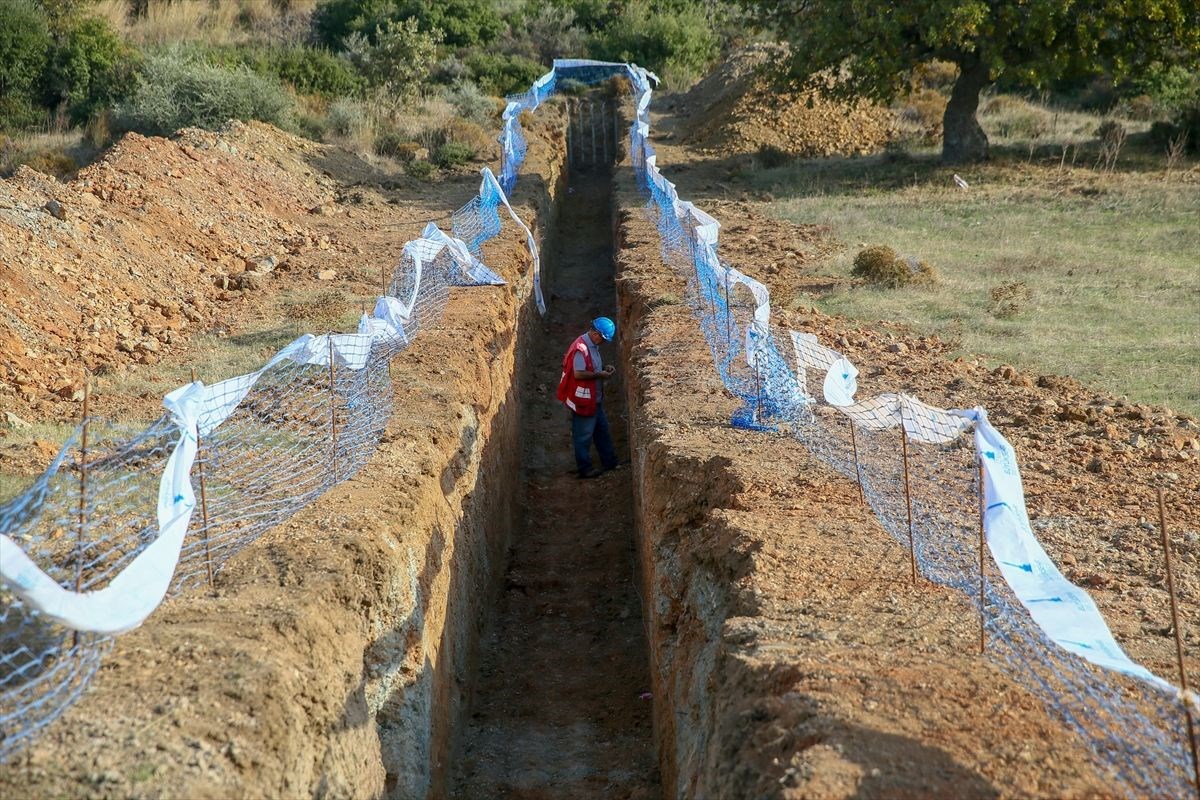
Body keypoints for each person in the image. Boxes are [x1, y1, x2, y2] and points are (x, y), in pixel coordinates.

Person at [556, 316, 618, 478]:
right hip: (583, 401)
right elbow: (578, 373)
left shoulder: (592, 346)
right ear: (597, 334)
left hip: (594, 399)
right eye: (603, 339)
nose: (603, 343)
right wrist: (600, 375)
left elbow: (591, 365)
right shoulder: (581, 348)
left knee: (601, 431)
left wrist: (604, 368)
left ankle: (610, 462)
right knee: (583, 436)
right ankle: (585, 469)